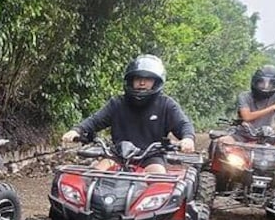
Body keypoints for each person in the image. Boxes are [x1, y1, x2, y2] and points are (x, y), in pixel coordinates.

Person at [61, 54, 196, 174]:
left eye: (148, 79)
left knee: (159, 181)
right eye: (138, 78)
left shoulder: (166, 104)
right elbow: (95, 121)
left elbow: (183, 124)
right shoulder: (117, 103)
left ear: (156, 81)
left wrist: (188, 139)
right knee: (94, 177)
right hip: (117, 155)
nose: (142, 83)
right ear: (131, 80)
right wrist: (76, 130)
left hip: (152, 157)